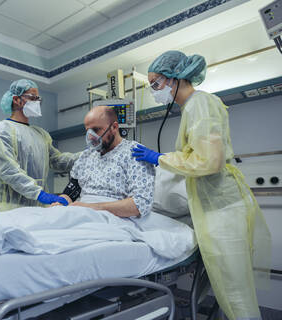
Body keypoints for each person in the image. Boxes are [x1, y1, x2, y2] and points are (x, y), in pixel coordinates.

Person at [131, 50, 271, 320]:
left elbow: (209, 161)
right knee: (228, 286)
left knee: (235, 290)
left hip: (223, 206)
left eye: (156, 84)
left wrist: (158, 158)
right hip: (215, 205)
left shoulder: (199, 103)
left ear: (175, 78)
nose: (154, 91)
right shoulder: (190, 108)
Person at [0, 79, 80, 212]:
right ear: (16, 100)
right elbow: (9, 171)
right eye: (33, 97)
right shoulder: (3, 130)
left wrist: (86, 155)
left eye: (38, 98)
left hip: (39, 209)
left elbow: (58, 161)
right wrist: (40, 194)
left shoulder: (40, 134)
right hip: (12, 210)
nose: (37, 102)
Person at [54, 105, 155, 219]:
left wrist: (91, 207)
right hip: (82, 212)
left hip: (114, 217)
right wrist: (61, 202)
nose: (91, 136)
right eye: (88, 131)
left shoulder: (135, 152)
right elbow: (72, 190)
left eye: (96, 130)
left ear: (114, 127)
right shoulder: (87, 155)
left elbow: (141, 204)